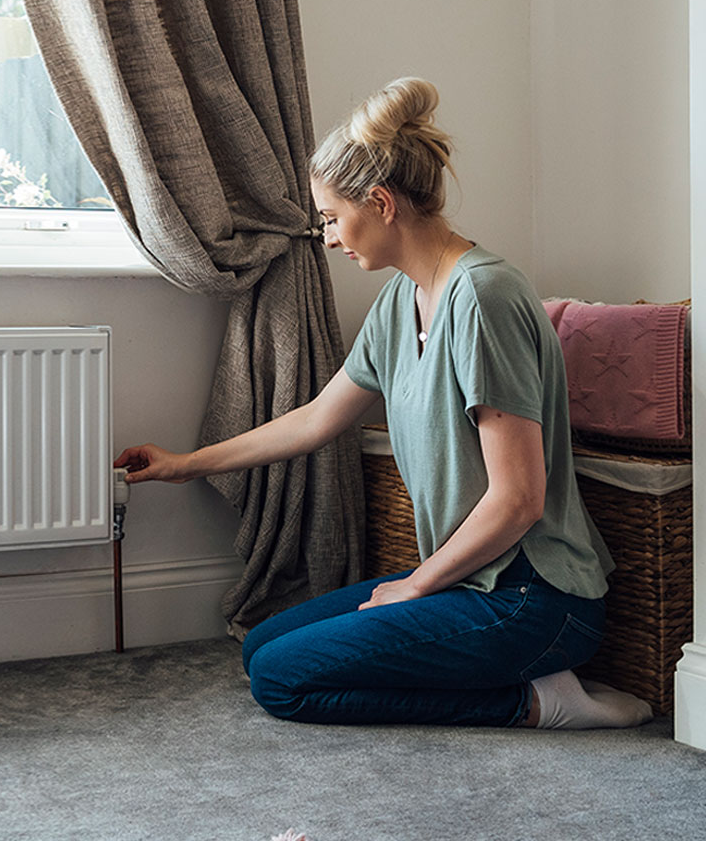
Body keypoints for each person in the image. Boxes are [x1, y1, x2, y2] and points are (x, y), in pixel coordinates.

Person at [113, 77, 651, 730]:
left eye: (333, 218)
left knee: (282, 683)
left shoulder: (484, 297)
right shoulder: (399, 302)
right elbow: (318, 418)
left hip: (531, 597)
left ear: (380, 203)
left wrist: (416, 585)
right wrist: (184, 464)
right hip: (467, 581)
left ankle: (540, 702)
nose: (330, 238)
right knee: (262, 647)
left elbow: (519, 500)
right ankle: (511, 672)